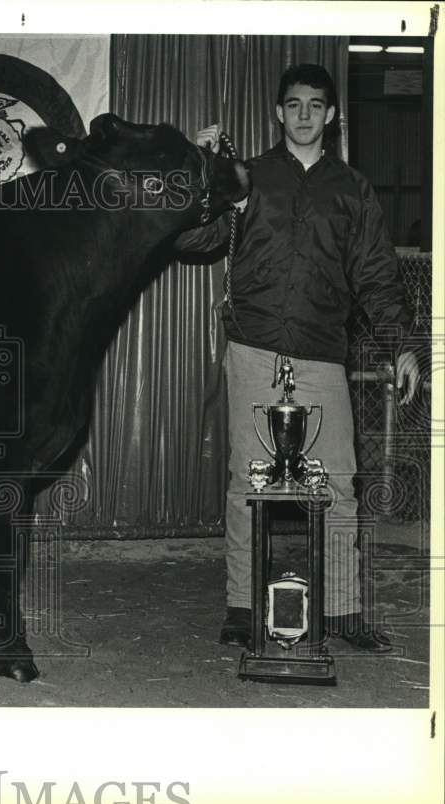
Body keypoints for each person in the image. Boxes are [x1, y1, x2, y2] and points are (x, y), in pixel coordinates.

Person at [175, 63, 420, 651]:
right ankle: (240, 605)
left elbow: (377, 278)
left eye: (316, 105)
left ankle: (338, 610)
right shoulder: (246, 176)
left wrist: (403, 345)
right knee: (246, 483)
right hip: (254, 347)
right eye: (294, 104)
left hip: (320, 354)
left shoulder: (353, 189)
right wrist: (201, 176)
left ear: (330, 116)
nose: (304, 114)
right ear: (277, 113)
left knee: (338, 484)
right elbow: (191, 242)